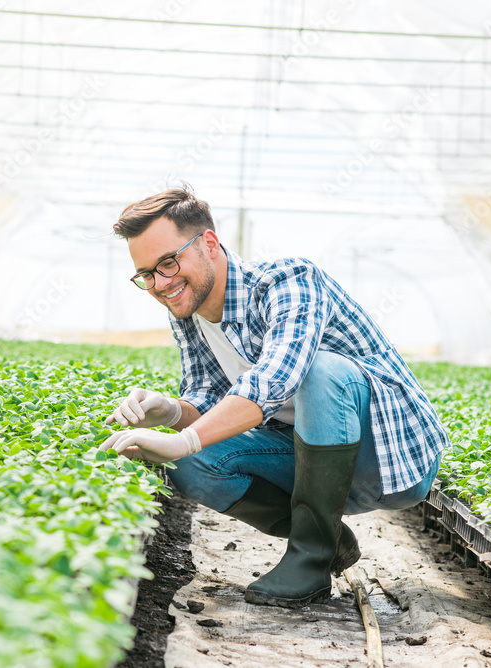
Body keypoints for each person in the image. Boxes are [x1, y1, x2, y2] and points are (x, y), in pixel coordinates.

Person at [99, 188, 450, 608]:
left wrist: (184, 435)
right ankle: (327, 539)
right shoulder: (189, 314)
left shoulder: (288, 281)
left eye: (168, 262)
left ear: (209, 244)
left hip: (388, 457)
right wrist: (172, 411)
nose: (161, 283)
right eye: (146, 274)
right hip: (309, 461)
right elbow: (209, 400)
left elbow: (275, 379)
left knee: (323, 371)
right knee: (186, 461)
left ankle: (309, 558)